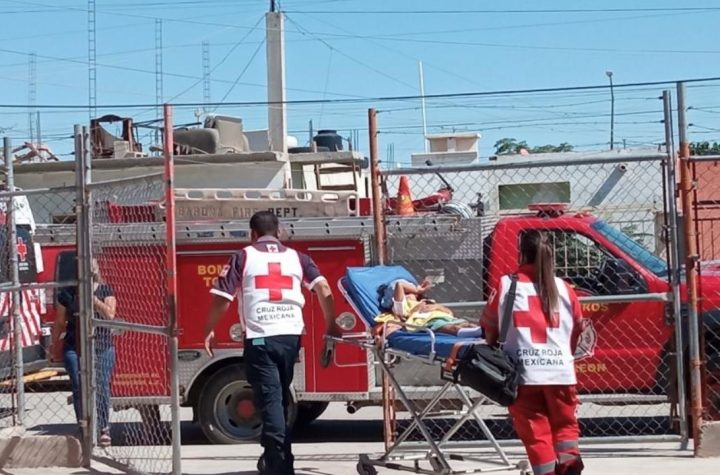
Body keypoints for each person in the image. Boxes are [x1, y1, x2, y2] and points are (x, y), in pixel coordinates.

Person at [203, 211, 340, 475]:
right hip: (290, 337)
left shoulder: (243, 256)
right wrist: (331, 325)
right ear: (279, 232)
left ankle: (279, 467)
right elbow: (324, 289)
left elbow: (222, 297)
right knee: (277, 400)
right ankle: (273, 458)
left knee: (272, 403)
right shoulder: (297, 257)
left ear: (251, 234)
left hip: (260, 338)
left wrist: (208, 329)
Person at [481, 230, 584, 475]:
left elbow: (489, 326)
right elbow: (578, 326)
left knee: (537, 434)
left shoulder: (507, 285)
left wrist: (494, 342)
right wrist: (562, 355)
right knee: (566, 428)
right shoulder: (565, 288)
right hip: (561, 373)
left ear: (522, 253)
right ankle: (570, 467)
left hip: (524, 375)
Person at [51, 258, 117, 448]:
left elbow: (110, 315)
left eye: (92, 264)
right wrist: (53, 347)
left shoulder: (106, 290)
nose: (88, 268)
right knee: (79, 384)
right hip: (75, 345)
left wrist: (93, 300)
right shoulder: (68, 293)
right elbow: (59, 322)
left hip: (102, 345)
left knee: (101, 385)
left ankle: (103, 427)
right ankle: (84, 426)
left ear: (96, 269)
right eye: (84, 264)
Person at [379, 278, 482, 337]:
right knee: (451, 328)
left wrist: (437, 307)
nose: (411, 294)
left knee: (465, 323)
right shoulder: (401, 308)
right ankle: (476, 333)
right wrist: (418, 290)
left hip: (443, 317)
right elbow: (399, 285)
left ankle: (483, 332)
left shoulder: (427, 302)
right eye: (408, 292)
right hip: (428, 321)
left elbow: (450, 313)